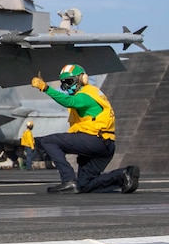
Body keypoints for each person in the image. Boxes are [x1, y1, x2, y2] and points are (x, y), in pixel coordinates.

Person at [32, 64, 138, 194]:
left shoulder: (86, 94)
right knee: (84, 185)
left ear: (83, 79)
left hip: (95, 140)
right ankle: (123, 175)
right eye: (63, 84)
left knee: (48, 141)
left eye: (69, 82)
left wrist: (46, 88)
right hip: (106, 145)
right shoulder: (93, 94)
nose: (66, 87)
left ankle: (68, 180)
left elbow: (68, 101)